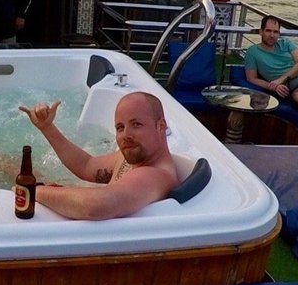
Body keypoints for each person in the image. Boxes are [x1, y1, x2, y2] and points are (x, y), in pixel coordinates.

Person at [18, 92, 178, 220]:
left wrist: (33, 190)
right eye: (120, 127)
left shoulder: (155, 174)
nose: (125, 135)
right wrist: (47, 128)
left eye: (136, 124)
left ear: (161, 126)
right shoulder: (137, 157)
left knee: (20, 177)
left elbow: (96, 205)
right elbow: (86, 165)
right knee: (12, 166)